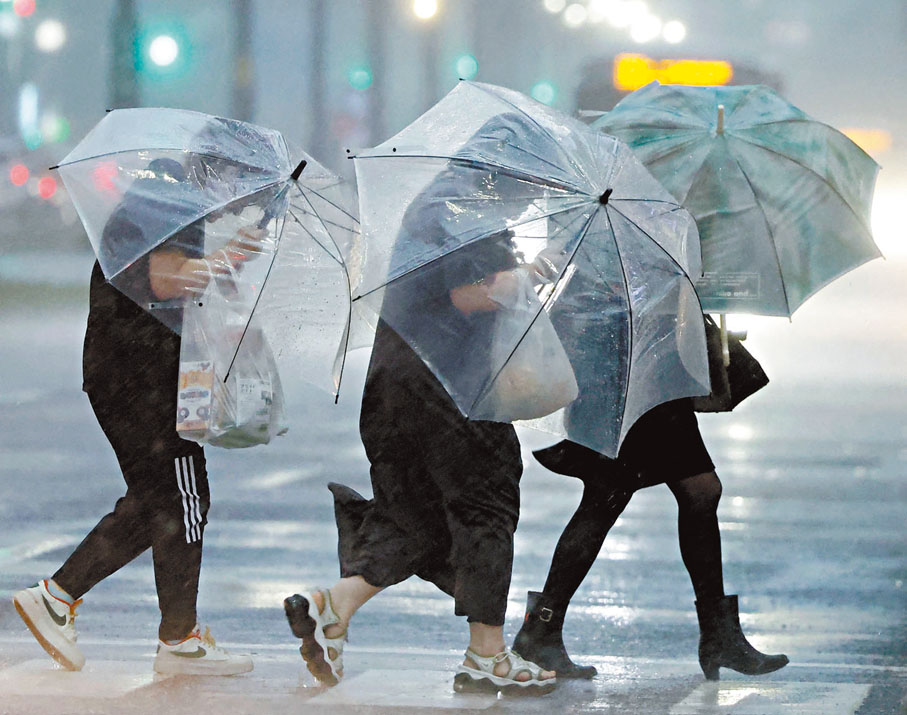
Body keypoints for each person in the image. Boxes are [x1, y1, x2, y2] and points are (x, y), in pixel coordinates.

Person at [283, 115, 558, 696]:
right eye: (531, 182)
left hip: (394, 385)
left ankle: (334, 605)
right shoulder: (469, 213)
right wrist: (525, 278)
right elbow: (467, 295)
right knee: (486, 503)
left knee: (417, 513)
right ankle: (487, 654)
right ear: (506, 172)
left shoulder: (438, 203)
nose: (532, 194)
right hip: (449, 387)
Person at [12, 157, 262, 675]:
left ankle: (59, 597)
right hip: (142, 377)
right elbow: (165, 280)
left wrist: (223, 263)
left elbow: (161, 281)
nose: (238, 203)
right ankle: (178, 639)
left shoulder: (163, 197)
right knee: (182, 497)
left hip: (128, 373)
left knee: (158, 501)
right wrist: (230, 255)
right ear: (218, 174)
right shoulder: (170, 201)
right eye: (239, 187)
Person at [511, 321, 789, 681]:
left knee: (647, 493)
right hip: (628, 371)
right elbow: (594, 311)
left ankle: (541, 630)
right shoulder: (608, 286)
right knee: (640, 493)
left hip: (650, 370)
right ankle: (540, 631)